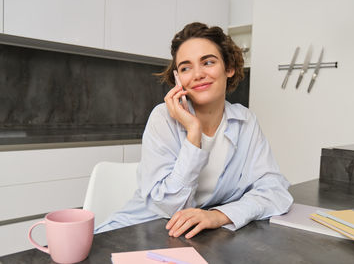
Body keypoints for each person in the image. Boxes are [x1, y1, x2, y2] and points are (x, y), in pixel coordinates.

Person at [95, 22, 293, 238]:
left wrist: (220, 215)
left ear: (229, 68)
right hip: (138, 232)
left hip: (199, 238)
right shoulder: (163, 119)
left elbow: (275, 191)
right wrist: (193, 132)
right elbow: (169, 207)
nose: (197, 74)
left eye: (207, 62)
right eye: (185, 67)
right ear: (178, 79)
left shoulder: (245, 121)